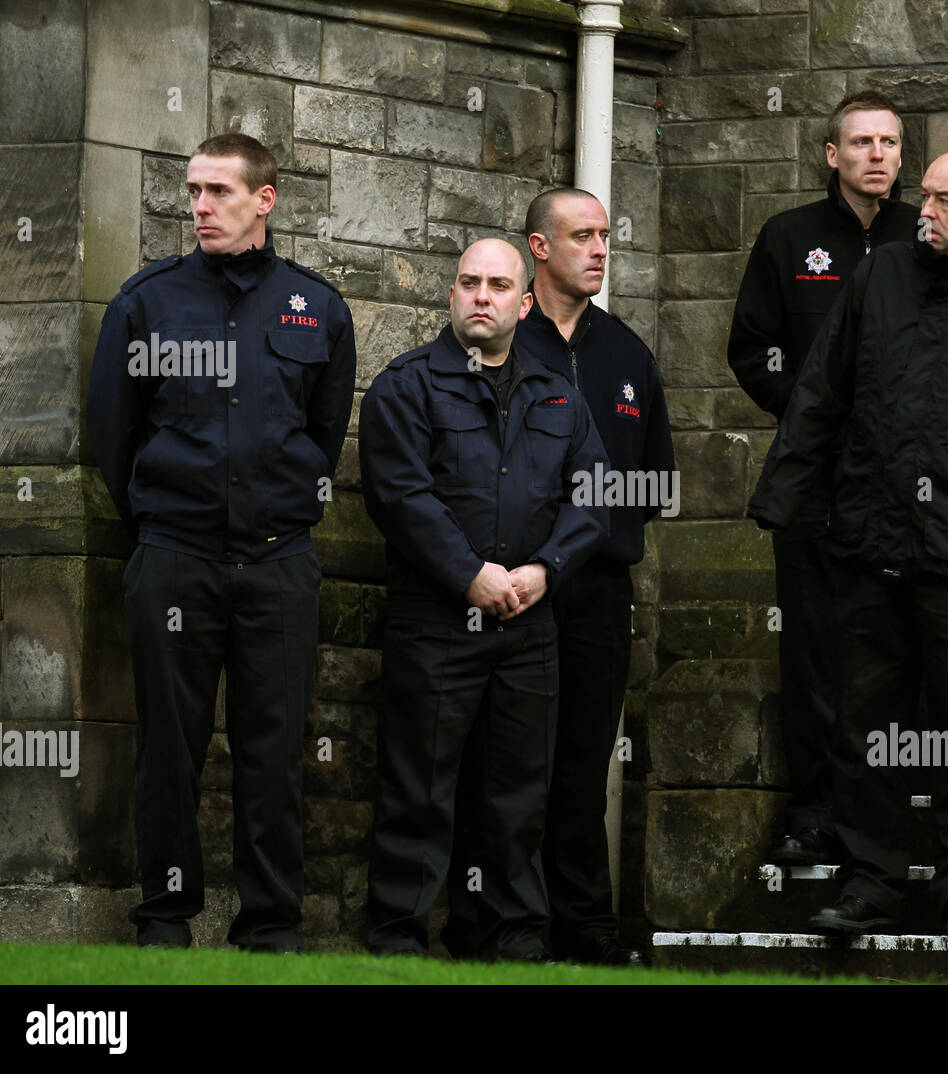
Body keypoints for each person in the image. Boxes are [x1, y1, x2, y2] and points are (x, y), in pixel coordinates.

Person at [748, 149, 948, 936]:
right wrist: (784, 496)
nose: (921, 208)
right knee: (868, 722)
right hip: (868, 541)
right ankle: (871, 879)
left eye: (942, 199)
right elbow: (822, 391)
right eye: (922, 195)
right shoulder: (879, 278)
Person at [86, 133, 356, 951]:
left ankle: (270, 928)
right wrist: (168, 525)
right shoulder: (146, 302)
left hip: (278, 565)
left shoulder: (319, 307)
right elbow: (114, 433)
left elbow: (325, 428)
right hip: (176, 560)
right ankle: (165, 922)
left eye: (218, 192)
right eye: (193, 191)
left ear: (264, 200)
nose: (198, 207)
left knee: (272, 757)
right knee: (169, 748)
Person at [359, 238, 608, 960]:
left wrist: (546, 570)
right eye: (468, 282)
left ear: (524, 304)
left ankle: (512, 943)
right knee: (419, 791)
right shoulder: (406, 387)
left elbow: (592, 494)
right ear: (451, 296)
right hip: (435, 621)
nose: (481, 296)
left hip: (531, 625)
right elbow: (401, 497)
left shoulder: (558, 392)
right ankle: (398, 944)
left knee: (518, 796)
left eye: (499, 285)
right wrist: (470, 573)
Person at [728, 91, 921, 865]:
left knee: (898, 645)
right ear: (830, 155)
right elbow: (752, 349)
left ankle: (891, 808)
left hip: (908, 484)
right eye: (863, 142)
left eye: (891, 142)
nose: (878, 155)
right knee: (813, 648)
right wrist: (813, 416)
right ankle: (816, 810)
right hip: (814, 481)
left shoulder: (926, 235)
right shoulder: (789, 238)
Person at [488, 187, 674, 966]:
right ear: (539, 248)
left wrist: (595, 508)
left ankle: (586, 928)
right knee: (509, 762)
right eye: (582, 236)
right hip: (515, 588)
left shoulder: (627, 353)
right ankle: (503, 926)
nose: (600, 248)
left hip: (598, 588)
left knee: (585, 760)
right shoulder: (500, 342)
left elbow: (657, 483)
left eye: (605, 235)